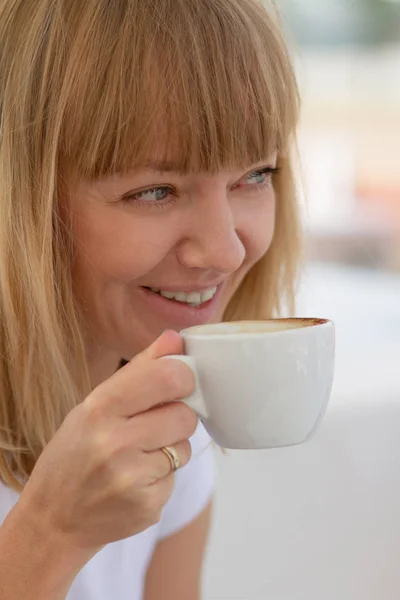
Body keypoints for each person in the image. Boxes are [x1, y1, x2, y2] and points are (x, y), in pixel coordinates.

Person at [0, 0, 301, 598]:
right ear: (19, 201)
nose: (224, 253)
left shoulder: (166, 444)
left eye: (255, 176)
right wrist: (50, 533)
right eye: (155, 190)